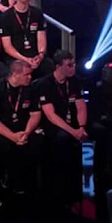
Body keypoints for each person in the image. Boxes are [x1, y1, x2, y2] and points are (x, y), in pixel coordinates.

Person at [0, 60, 44, 196]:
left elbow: (35, 114)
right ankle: (6, 181)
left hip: (24, 128)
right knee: (5, 145)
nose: (30, 77)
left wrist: (26, 133)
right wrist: (12, 136)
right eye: (27, 74)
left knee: (37, 143)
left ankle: (32, 185)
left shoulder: (31, 88)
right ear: (15, 74)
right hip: (3, 129)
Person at [34, 51, 86, 209]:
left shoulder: (75, 81)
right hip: (54, 124)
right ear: (58, 67)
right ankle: (61, 191)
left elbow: (81, 107)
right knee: (63, 138)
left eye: (74, 64)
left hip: (73, 122)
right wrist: (73, 132)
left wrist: (81, 127)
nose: (73, 68)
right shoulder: (45, 84)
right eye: (69, 65)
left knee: (98, 131)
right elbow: (51, 115)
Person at [0, 0, 48, 77]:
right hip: (16, 57)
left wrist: (40, 55)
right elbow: (7, 46)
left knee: (48, 65)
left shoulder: (36, 13)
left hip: (34, 55)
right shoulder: (6, 17)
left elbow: (41, 38)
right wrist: (25, 59)